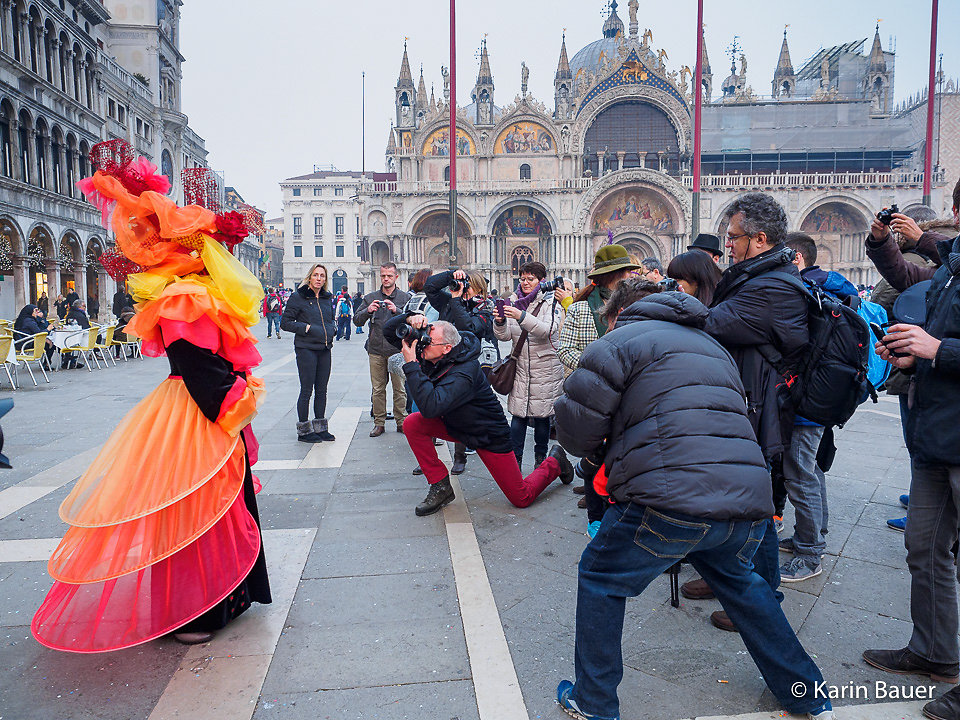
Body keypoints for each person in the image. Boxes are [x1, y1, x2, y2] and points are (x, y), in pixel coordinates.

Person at [553, 283, 833, 720]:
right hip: (743, 500)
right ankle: (809, 696)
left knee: (601, 578)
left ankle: (593, 701)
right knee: (744, 587)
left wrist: (599, 451)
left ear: (621, 312)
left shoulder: (619, 341)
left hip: (667, 499)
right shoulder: (713, 345)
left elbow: (575, 428)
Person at [33, 139, 270, 651]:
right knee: (195, 503)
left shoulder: (187, 294)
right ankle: (195, 604)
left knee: (210, 502)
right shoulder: (185, 297)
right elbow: (200, 368)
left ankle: (224, 595)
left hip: (193, 407)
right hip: (197, 411)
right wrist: (238, 397)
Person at [681, 192, 809, 632]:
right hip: (747, 403)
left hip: (761, 410)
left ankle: (763, 597)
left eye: (733, 237)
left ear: (759, 238)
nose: (727, 245)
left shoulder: (772, 285)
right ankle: (727, 577)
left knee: (753, 504)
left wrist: (662, 305)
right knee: (733, 497)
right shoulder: (758, 276)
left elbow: (712, 321)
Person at [861, 181, 960, 720]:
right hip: (935, 434)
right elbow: (907, 279)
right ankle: (934, 651)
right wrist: (910, 356)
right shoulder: (951, 269)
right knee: (923, 548)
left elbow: (942, 341)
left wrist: (937, 349)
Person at [383, 315, 573, 516]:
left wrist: (412, 364)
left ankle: (555, 461)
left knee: (521, 497)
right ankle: (441, 487)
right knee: (413, 423)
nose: (423, 343)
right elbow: (389, 332)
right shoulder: (433, 354)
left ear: (447, 348)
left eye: (428, 340)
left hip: (487, 435)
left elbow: (431, 407)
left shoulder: (465, 372)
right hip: (456, 425)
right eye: (425, 335)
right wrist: (410, 318)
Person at [868, 207, 951, 532]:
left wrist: (923, 240)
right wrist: (881, 241)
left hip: (942, 383)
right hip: (924, 376)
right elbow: (902, 276)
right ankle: (923, 508)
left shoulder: (937, 259)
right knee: (924, 551)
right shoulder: (943, 275)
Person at [558, 245, 640, 537]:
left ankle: (618, 510)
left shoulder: (634, 307)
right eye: (628, 271)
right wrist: (594, 367)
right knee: (595, 453)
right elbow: (564, 349)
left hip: (627, 395)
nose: (632, 275)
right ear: (613, 275)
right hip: (592, 394)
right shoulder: (580, 308)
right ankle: (596, 518)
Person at [424, 267, 497, 474]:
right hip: (440, 360)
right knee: (432, 408)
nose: (464, 289)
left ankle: (460, 456)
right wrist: (451, 275)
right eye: (464, 284)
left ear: (479, 289)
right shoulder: (448, 301)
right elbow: (430, 287)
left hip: (465, 364)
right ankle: (429, 457)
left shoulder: (484, 308)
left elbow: (469, 328)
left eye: (469, 285)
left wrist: (457, 301)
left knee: (461, 410)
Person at [493, 261, 564, 469]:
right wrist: (500, 322)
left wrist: (521, 316)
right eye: (522, 278)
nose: (525, 282)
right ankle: (515, 462)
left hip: (545, 368)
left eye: (530, 279)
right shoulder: (514, 300)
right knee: (518, 416)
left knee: (541, 418)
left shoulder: (550, 302)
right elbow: (505, 337)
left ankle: (540, 461)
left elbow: (547, 330)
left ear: (541, 280)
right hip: (521, 367)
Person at [280, 264, 337, 443]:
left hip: (325, 348)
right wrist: (306, 327)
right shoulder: (299, 297)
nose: (319, 278)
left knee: (322, 389)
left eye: (322, 276)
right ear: (309, 277)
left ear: (325, 279)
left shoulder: (328, 298)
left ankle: (320, 427)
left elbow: (328, 318)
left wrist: (332, 329)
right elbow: (285, 322)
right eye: (316, 275)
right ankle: (304, 430)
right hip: (306, 348)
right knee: (306, 390)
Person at [354, 262, 411, 437]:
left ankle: (401, 422)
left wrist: (398, 310)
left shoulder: (404, 297)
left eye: (389, 276)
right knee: (378, 389)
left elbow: (413, 320)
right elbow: (356, 320)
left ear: (396, 277)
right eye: (383, 275)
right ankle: (379, 423)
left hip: (397, 350)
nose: (386, 279)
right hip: (376, 349)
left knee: (399, 388)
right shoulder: (370, 297)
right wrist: (368, 311)